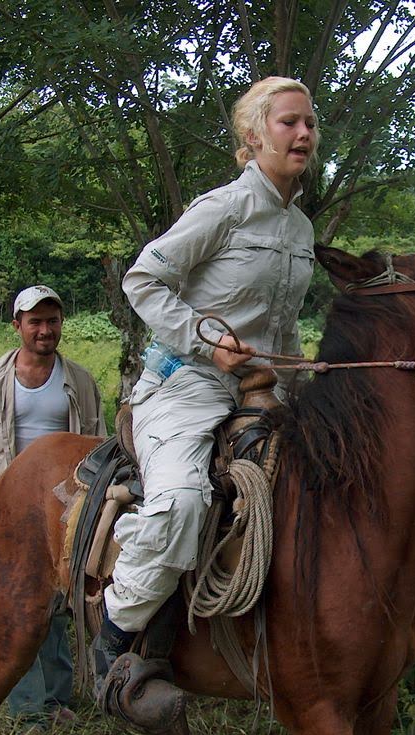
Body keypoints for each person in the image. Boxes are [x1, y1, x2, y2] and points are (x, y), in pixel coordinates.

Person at [92, 77, 319, 700]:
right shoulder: (222, 208)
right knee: (184, 502)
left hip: (263, 393)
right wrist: (205, 339)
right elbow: (144, 281)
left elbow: (281, 325)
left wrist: (303, 376)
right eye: (288, 123)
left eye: (309, 124)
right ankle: (111, 637)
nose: (303, 134)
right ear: (253, 136)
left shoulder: (300, 229)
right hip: (185, 385)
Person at [0, 284, 107, 729]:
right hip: (5, 511)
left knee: (56, 603)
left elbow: (100, 449)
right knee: (13, 605)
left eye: (52, 320)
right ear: (17, 326)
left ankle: (56, 698)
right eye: (35, 321)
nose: (44, 330)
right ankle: (29, 708)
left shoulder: (80, 382)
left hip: (59, 512)